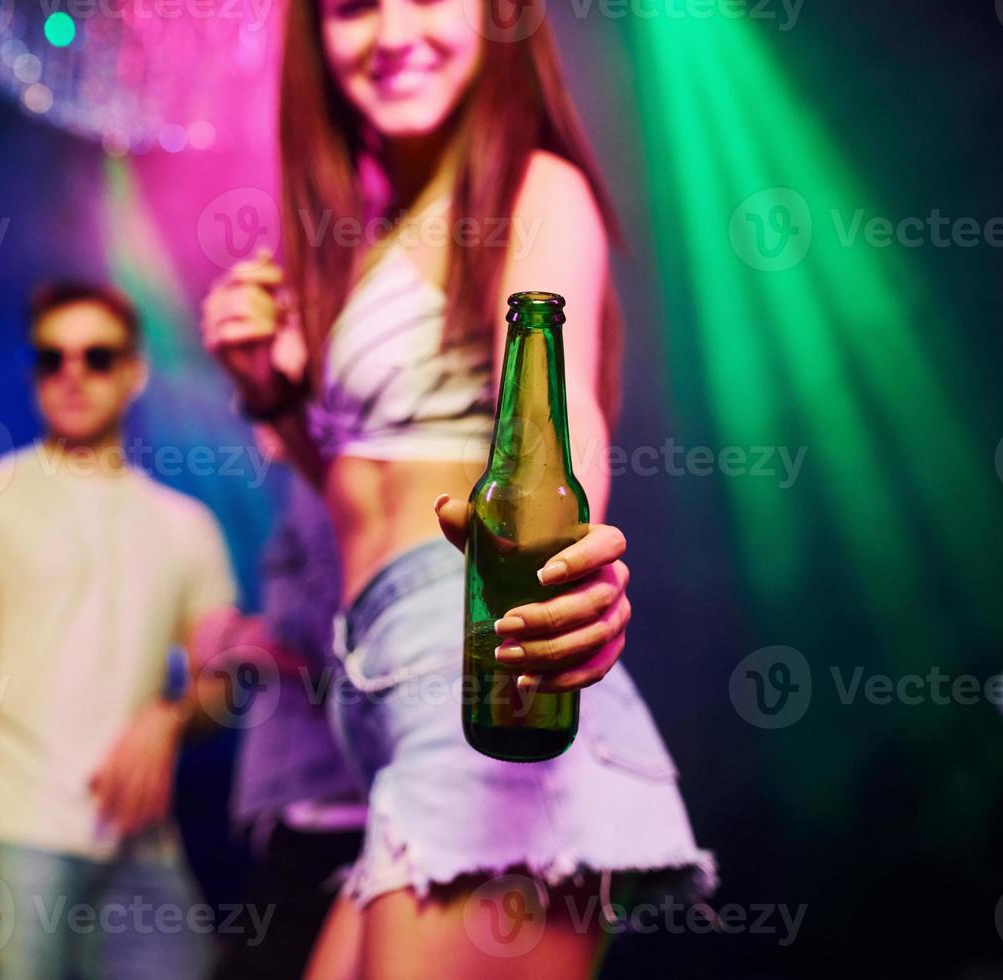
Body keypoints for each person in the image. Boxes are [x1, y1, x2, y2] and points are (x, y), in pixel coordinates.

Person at [199, 0, 715, 974]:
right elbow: (364, 496)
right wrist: (267, 394)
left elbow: (561, 419)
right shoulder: (381, 232)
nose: (392, 33)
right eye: (353, 6)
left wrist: (568, 577)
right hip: (389, 708)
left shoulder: (533, 186)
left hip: (483, 683)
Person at [0, 283, 237, 980]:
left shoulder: (185, 523)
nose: (73, 373)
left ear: (135, 371)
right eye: (53, 358)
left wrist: (172, 718)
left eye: (97, 356)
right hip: (18, 844)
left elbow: (224, 682)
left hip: (143, 849)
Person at [194, 457, 367, 980]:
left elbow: (344, 650)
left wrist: (236, 641)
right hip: (321, 814)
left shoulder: (338, 481)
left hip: (328, 820)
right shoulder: (320, 480)